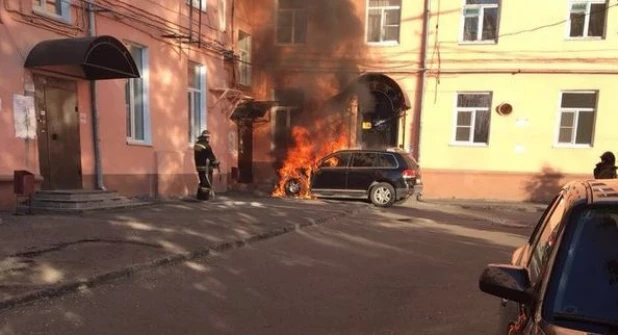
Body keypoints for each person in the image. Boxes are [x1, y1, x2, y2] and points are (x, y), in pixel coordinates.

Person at [193, 130, 219, 200]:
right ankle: (204, 197)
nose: (209, 139)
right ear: (206, 137)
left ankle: (199, 196)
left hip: (199, 166)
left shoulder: (197, 144)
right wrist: (215, 162)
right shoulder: (206, 145)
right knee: (206, 182)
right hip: (206, 167)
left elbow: (199, 155)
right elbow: (210, 156)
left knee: (202, 181)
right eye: (208, 137)